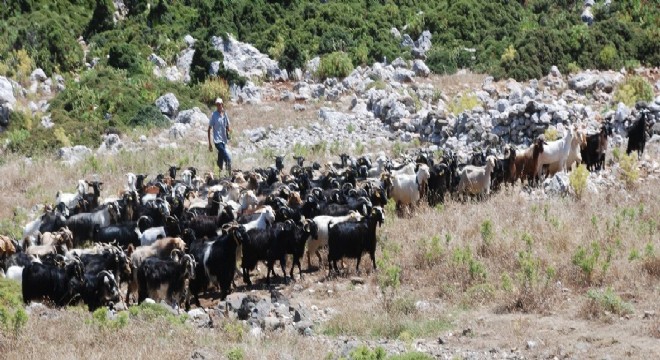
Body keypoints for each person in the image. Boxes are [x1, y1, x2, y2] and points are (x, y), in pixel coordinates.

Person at [208, 97, 232, 177]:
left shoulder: (225, 114)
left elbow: (228, 125)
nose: (218, 106)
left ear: (222, 104)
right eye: (217, 104)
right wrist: (210, 144)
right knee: (228, 159)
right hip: (217, 141)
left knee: (220, 159)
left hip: (224, 140)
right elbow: (209, 129)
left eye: (219, 104)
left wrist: (229, 130)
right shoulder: (214, 115)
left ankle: (217, 175)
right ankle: (230, 176)